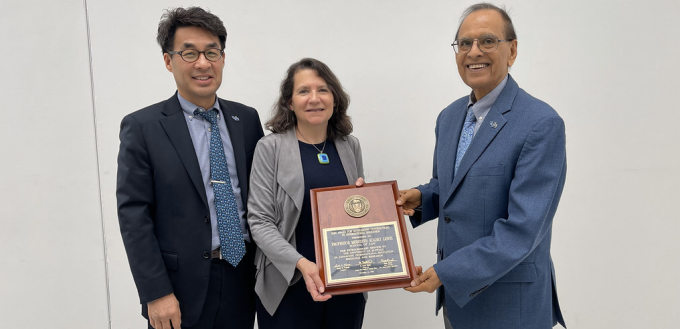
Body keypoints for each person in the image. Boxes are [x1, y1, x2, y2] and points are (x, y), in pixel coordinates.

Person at [398, 3, 567, 329]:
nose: (474, 52)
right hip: (458, 305)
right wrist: (423, 197)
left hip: (510, 306)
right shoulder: (449, 117)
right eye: (464, 43)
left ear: (512, 50)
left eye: (488, 41)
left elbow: (522, 231)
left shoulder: (541, 123)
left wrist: (446, 272)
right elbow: (453, 183)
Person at [116, 7, 263, 329]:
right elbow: (133, 215)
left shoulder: (247, 119)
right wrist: (156, 293)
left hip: (244, 278)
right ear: (168, 61)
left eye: (212, 52)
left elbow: (264, 197)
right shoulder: (143, 127)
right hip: (179, 289)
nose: (202, 63)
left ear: (222, 58)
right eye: (189, 53)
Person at [247, 58, 366, 329]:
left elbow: (357, 213)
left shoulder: (349, 146)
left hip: (345, 284)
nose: (314, 98)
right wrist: (302, 264)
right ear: (290, 102)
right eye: (303, 91)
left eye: (323, 90)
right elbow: (260, 222)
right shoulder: (270, 148)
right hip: (288, 284)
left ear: (335, 99)